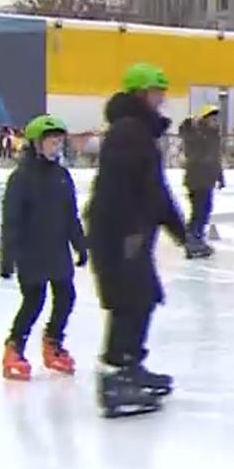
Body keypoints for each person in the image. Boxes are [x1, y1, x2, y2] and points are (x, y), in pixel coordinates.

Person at [86, 62, 190, 419]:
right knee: (130, 301)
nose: (161, 99)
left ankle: (130, 364)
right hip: (119, 233)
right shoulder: (128, 133)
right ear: (140, 94)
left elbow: (154, 190)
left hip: (129, 233)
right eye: (156, 92)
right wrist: (129, 232)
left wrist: (182, 232)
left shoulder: (136, 132)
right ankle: (116, 375)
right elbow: (121, 189)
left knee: (141, 298)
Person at [0, 115, 87, 382]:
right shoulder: (21, 178)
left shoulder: (62, 176)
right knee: (34, 301)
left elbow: (71, 215)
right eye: (51, 142)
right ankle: (14, 347)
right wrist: (7, 258)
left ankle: (53, 342)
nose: (55, 147)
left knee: (66, 297)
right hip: (31, 252)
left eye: (58, 142)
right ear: (36, 144)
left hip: (57, 250)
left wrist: (81, 245)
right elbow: (11, 220)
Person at [179, 105, 224, 255]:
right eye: (212, 117)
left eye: (216, 117)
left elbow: (216, 157)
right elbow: (187, 137)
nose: (215, 120)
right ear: (205, 118)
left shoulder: (214, 135)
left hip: (208, 179)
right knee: (198, 211)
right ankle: (192, 239)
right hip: (196, 179)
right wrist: (187, 125)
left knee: (205, 210)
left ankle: (197, 238)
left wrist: (220, 176)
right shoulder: (197, 133)